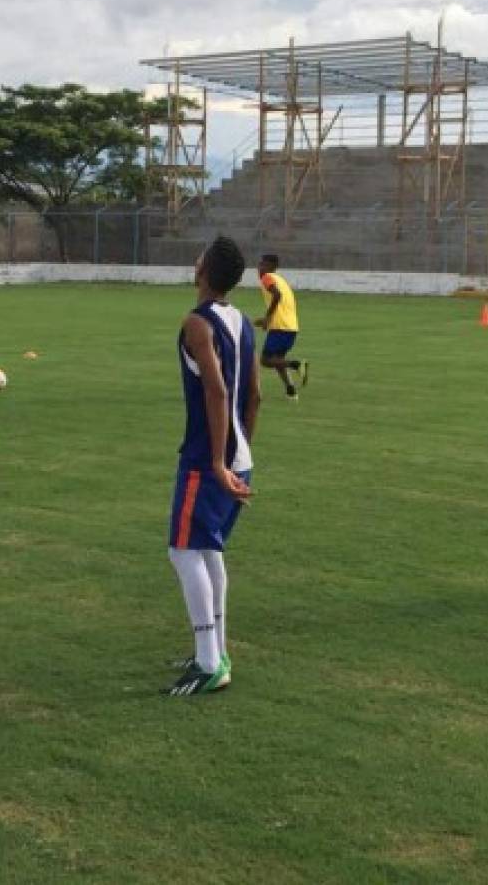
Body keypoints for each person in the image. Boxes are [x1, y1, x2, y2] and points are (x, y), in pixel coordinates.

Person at [165, 236, 261, 696]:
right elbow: (254, 396)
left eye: (198, 255)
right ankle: (215, 648)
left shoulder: (196, 323)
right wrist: (239, 457)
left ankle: (209, 663)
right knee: (209, 550)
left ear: (204, 271)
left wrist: (219, 463)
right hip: (238, 457)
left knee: (183, 551)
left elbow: (218, 392)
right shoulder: (242, 322)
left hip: (207, 458)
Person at [254, 254, 308, 401]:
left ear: (271, 267)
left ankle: (297, 365)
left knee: (265, 360)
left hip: (280, 326)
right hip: (291, 326)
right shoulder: (281, 280)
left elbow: (277, 296)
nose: (259, 268)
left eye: (262, 265)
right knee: (278, 360)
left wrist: (267, 318)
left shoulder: (267, 278)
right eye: (259, 265)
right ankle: (291, 390)